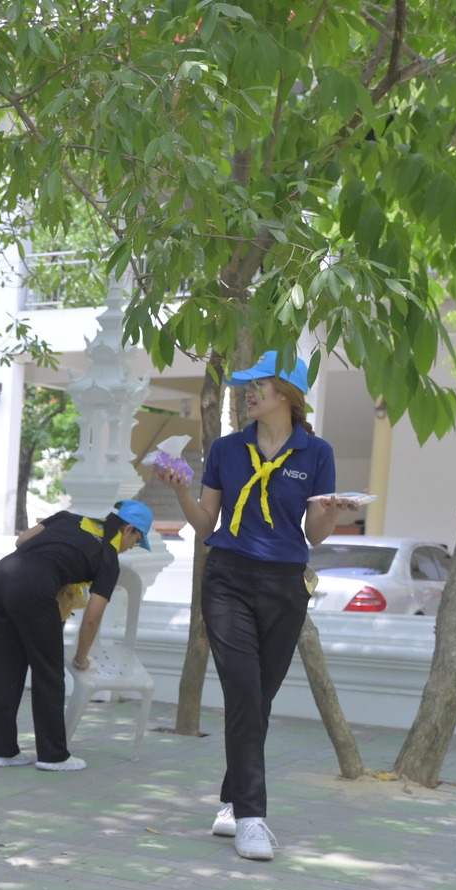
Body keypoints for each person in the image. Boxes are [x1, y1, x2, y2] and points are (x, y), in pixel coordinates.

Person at [153, 351, 358, 861]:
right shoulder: (226, 449)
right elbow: (205, 526)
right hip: (228, 579)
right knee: (244, 693)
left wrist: (331, 514)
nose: (247, 392)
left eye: (258, 386)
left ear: (286, 395)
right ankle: (252, 818)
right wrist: (180, 490)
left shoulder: (317, 454)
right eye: (245, 386)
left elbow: (312, 534)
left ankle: (230, 800)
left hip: (285, 584)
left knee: (259, 699)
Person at [0, 499, 154, 772]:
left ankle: (2, 751)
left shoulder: (68, 518)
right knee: (48, 673)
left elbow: (22, 540)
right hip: (35, 586)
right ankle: (53, 756)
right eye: (137, 539)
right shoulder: (108, 557)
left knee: (6, 667)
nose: (133, 545)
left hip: (0, 576)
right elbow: (92, 617)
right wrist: (81, 657)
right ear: (128, 529)